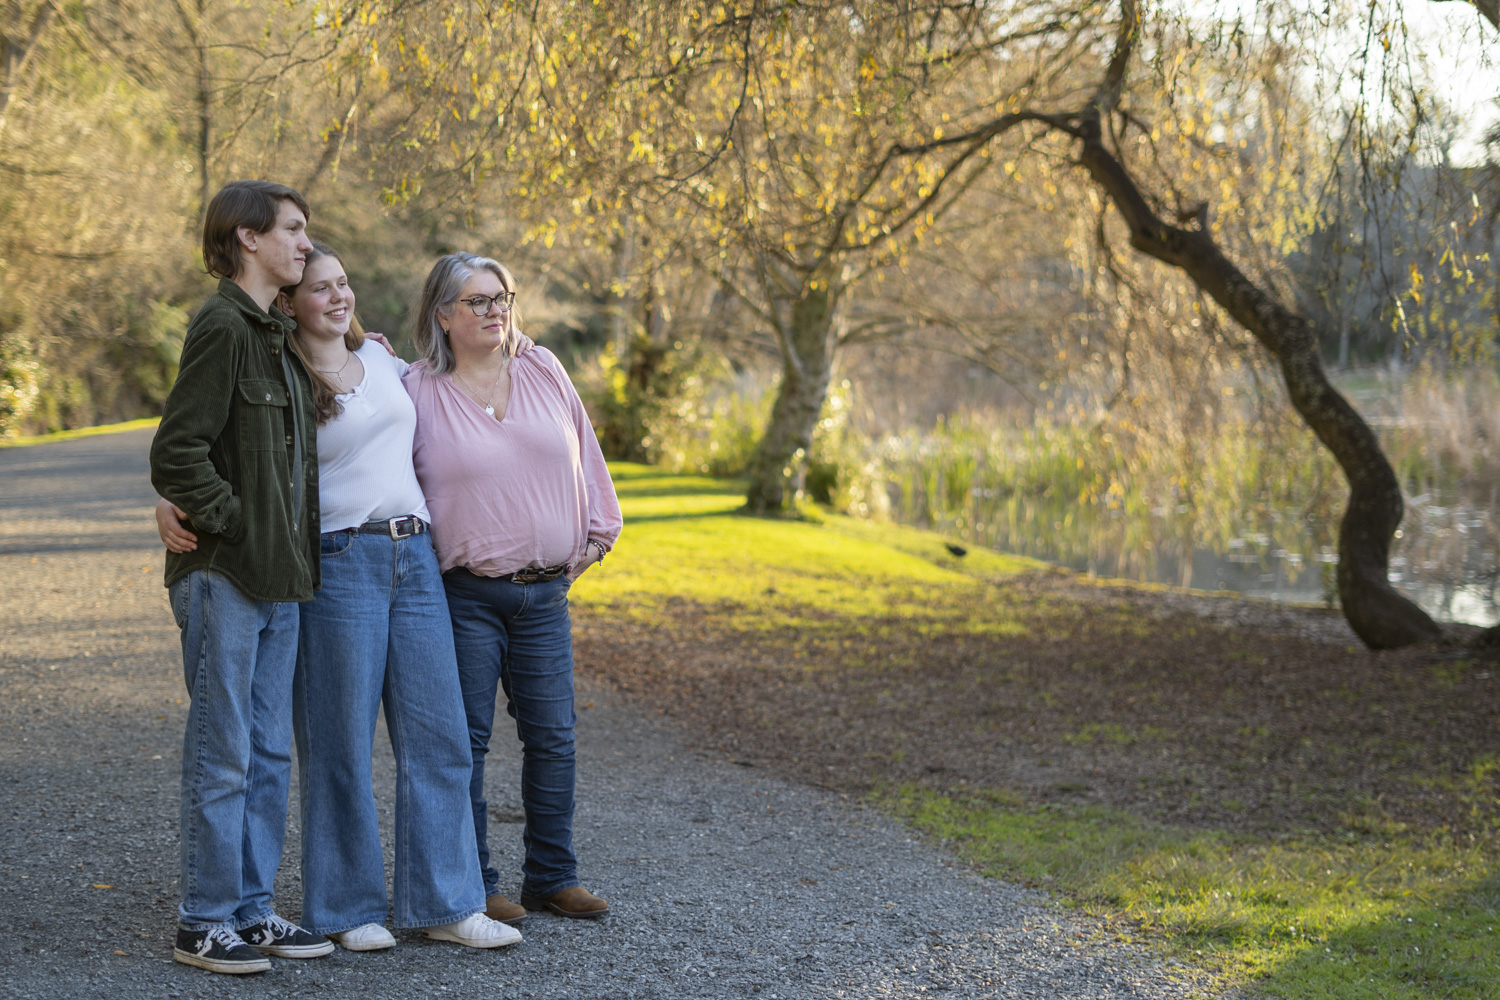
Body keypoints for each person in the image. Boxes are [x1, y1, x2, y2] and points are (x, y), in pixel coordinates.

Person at [157, 244, 522, 952]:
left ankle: (446, 903)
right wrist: (172, 499)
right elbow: (215, 442)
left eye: (343, 284)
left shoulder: (387, 362)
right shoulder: (278, 368)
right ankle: (348, 907)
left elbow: (478, 365)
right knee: (339, 742)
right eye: (319, 288)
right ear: (289, 303)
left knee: (439, 734)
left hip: (414, 556)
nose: (337, 296)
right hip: (337, 558)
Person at [402, 252, 622, 922]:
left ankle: (552, 875)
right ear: (443, 314)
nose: (496, 310)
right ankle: (479, 883)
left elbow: (584, 452)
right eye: (477, 301)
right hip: (465, 595)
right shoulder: (415, 389)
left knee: (554, 736)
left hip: (545, 594)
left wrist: (595, 531)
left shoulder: (543, 368)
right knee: (465, 743)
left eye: (502, 297)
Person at [148, 180, 333, 974]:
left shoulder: (274, 338)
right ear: (248, 238)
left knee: (267, 753)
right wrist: (235, 521)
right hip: (225, 575)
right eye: (293, 230)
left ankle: (252, 912)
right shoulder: (222, 324)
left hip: (279, 584)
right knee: (224, 752)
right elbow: (176, 452)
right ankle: (203, 921)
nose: (304, 242)